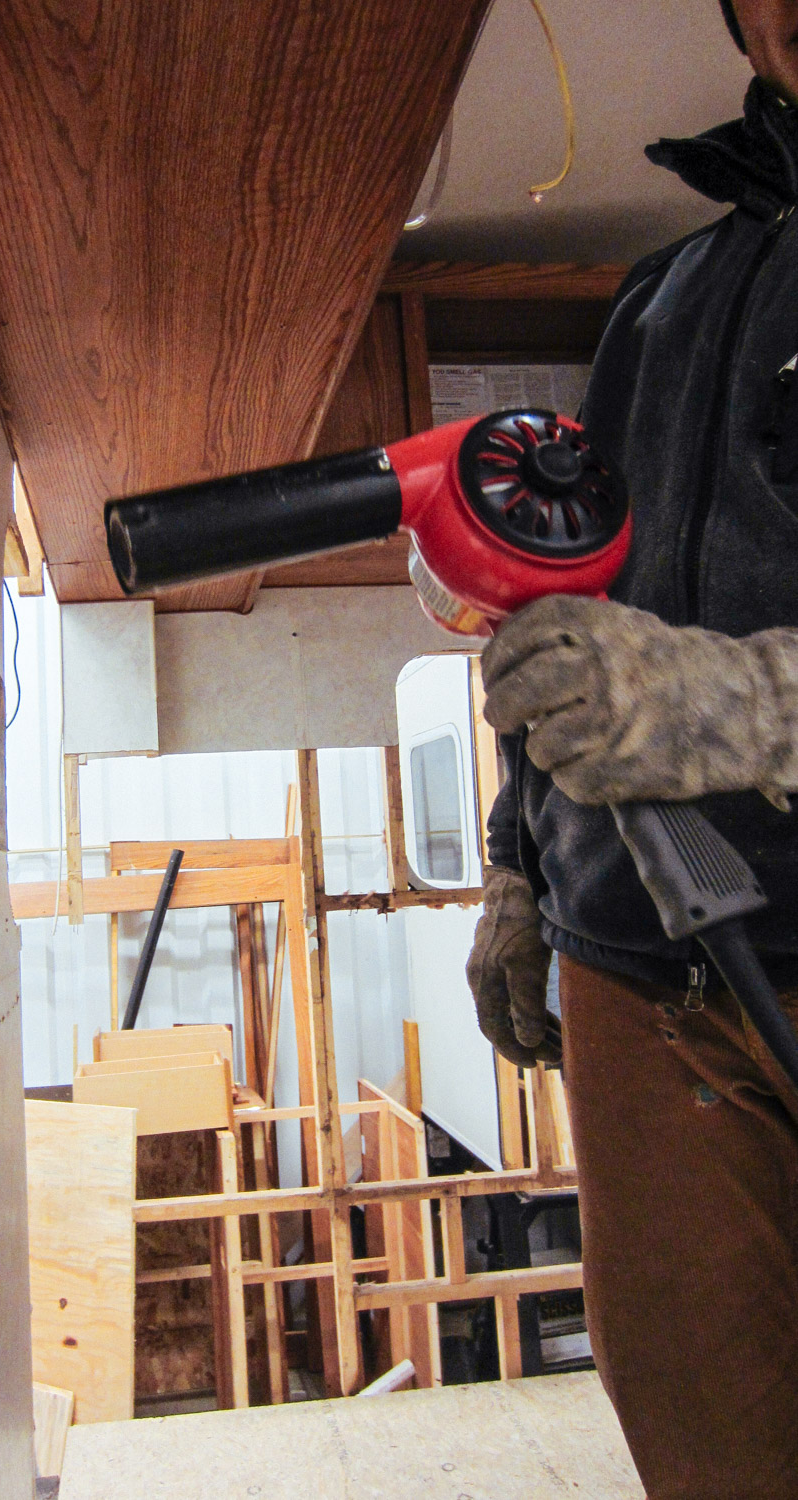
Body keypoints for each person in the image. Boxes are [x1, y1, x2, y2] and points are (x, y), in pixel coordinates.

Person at [466, 2, 798, 1494]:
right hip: (636, 969)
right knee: (702, 1422)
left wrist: (736, 705)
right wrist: (516, 870)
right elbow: (563, 604)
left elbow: (676, 679)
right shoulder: (661, 294)